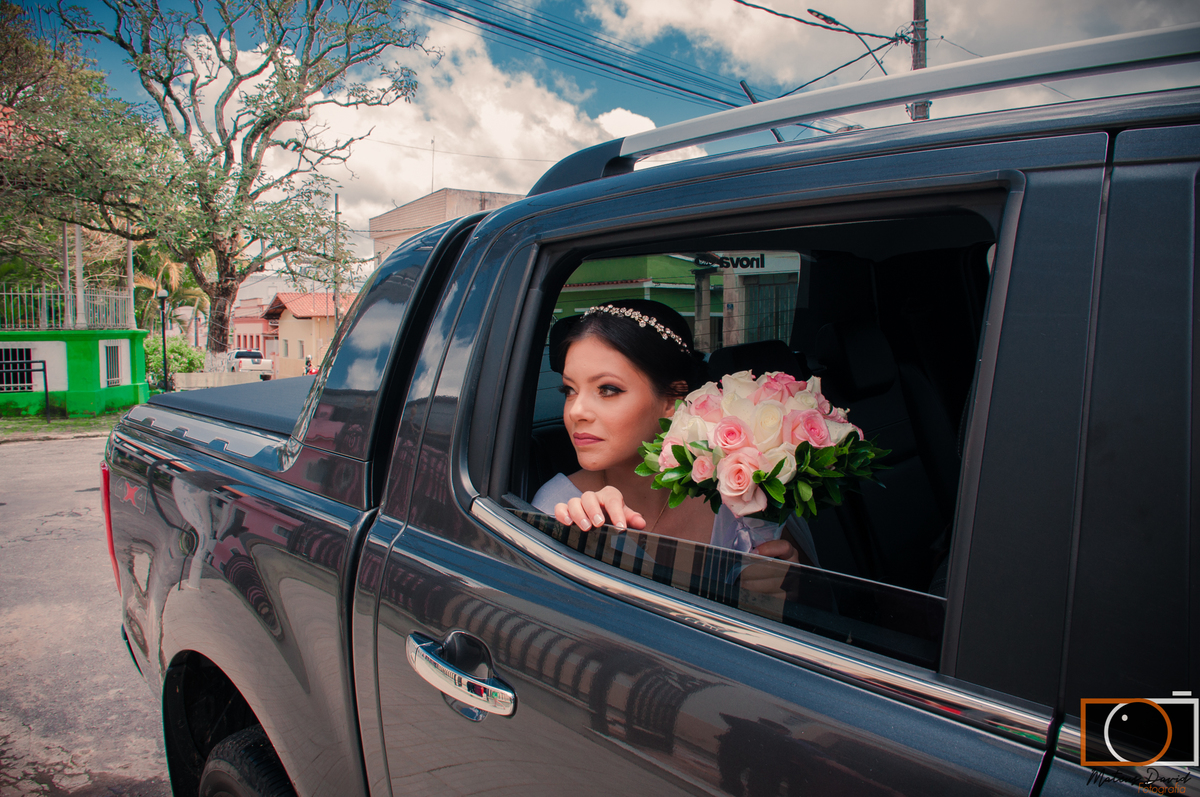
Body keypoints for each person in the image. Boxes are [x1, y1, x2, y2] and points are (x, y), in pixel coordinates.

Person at [532, 299, 817, 567]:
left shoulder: (739, 496)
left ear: (672, 400)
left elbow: (820, 607)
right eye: (569, 390)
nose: (575, 411)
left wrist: (786, 586)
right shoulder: (556, 508)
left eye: (608, 390)